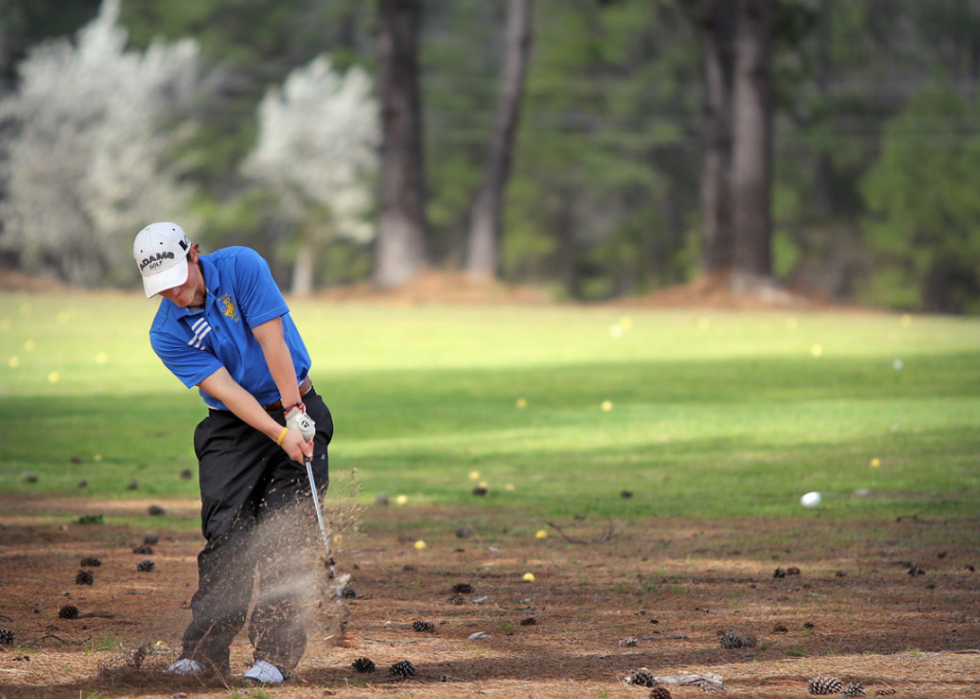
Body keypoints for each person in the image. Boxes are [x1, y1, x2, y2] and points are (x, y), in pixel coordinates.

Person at [133, 221, 333, 685]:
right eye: (162, 289)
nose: (175, 294)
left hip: (293, 402)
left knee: (285, 532)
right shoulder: (166, 333)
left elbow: (272, 341)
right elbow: (226, 390)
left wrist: (293, 415)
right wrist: (277, 435)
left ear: (193, 254)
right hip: (232, 427)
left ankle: (273, 657)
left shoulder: (241, 266)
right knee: (226, 535)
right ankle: (204, 654)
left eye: (178, 280)